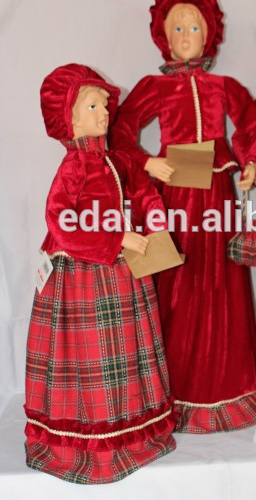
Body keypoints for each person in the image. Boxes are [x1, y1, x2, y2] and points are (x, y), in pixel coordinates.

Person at [109, 0, 256, 434]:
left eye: (194, 27)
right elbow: (119, 133)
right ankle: (175, 387)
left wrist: (253, 163)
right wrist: (146, 161)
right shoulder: (153, 87)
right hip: (173, 198)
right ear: (163, 36)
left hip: (216, 196)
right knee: (177, 284)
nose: (186, 35)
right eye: (177, 28)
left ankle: (227, 381)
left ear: (208, 34)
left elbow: (254, 127)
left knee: (222, 282)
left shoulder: (224, 87)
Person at [24, 64, 176, 483]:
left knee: (127, 350)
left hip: (123, 270)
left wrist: (156, 223)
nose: (105, 112)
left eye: (105, 105)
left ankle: (132, 432)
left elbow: (143, 191)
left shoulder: (118, 160)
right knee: (91, 354)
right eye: (93, 105)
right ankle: (91, 438)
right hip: (84, 273)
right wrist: (117, 238)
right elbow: (59, 220)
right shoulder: (73, 166)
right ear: (70, 119)